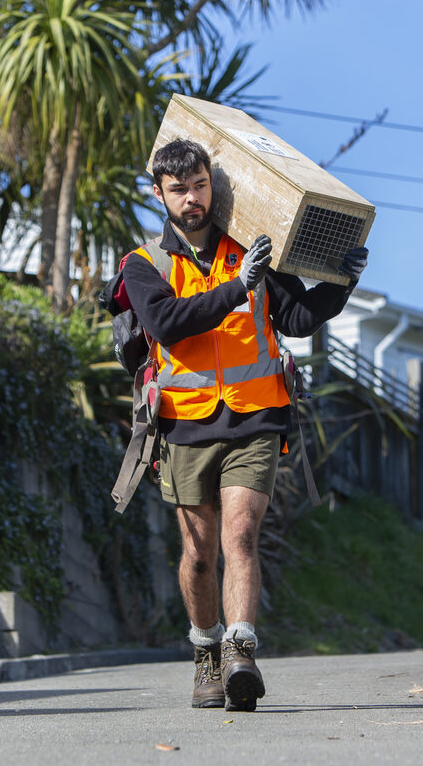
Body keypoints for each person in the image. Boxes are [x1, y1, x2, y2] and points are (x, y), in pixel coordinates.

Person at [120, 137, 368, 711]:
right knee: (199, 554)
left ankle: (240, 651)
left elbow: (298, 318)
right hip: (183, 425)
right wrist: (238, 288)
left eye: (200, 185)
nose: (192, 198)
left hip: (256, 416)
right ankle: (206, 651)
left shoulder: (250, 250)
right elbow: (168, 323)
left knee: (241, 536)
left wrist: (341, 283)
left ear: (213, 186)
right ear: (159, 194)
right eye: (179, 190)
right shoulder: (144, 264)